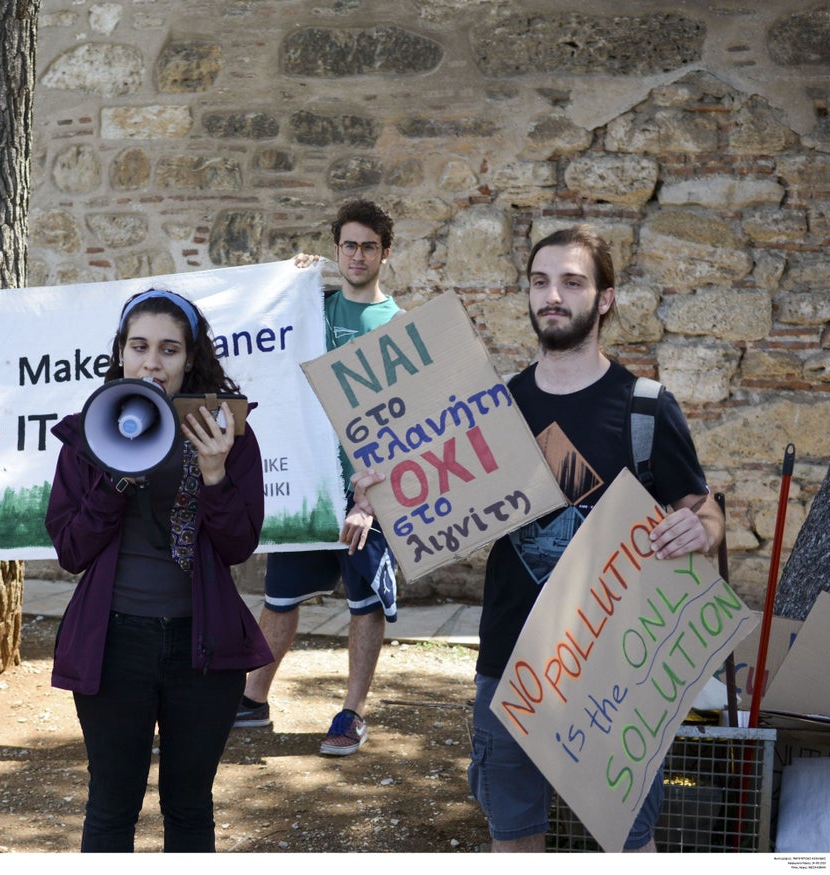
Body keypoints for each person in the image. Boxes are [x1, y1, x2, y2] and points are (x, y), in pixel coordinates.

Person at [353, 224, 722, 851]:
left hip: (614, 668)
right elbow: (441, 515)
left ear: (604, 298)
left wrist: (702, 527)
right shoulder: (493, 408)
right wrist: (385, 497)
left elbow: (704, 513)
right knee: (514, 839)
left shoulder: (646, 407)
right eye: (541, 282)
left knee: (629, 847)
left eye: (572, 283)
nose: (553, 296)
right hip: (510, 663)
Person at [45, 288, 271, 852]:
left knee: (190, 807)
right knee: (112, 805)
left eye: (169, 349)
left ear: (190, 358)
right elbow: (71, 549)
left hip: (202, 649)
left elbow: (239, 544)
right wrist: (116, 475)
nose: (152, 362)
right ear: (120, 353)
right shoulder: (88, 433)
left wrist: (215, 474)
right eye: (139, 346)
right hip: (115, 646)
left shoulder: (226, 434)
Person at [233, 198, 401, 756]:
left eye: (368, 247)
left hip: (366, 492)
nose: (357, 255)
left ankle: (351, 714)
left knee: (364, 604)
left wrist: (371, 497)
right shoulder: (313, 308)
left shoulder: (396, 325)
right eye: (348, 245)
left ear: (384, 253)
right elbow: (259, 335)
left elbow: (403, 423)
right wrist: (291, 279)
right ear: (337, 250)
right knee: (280, 598)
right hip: (310, 484)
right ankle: (253, 699)